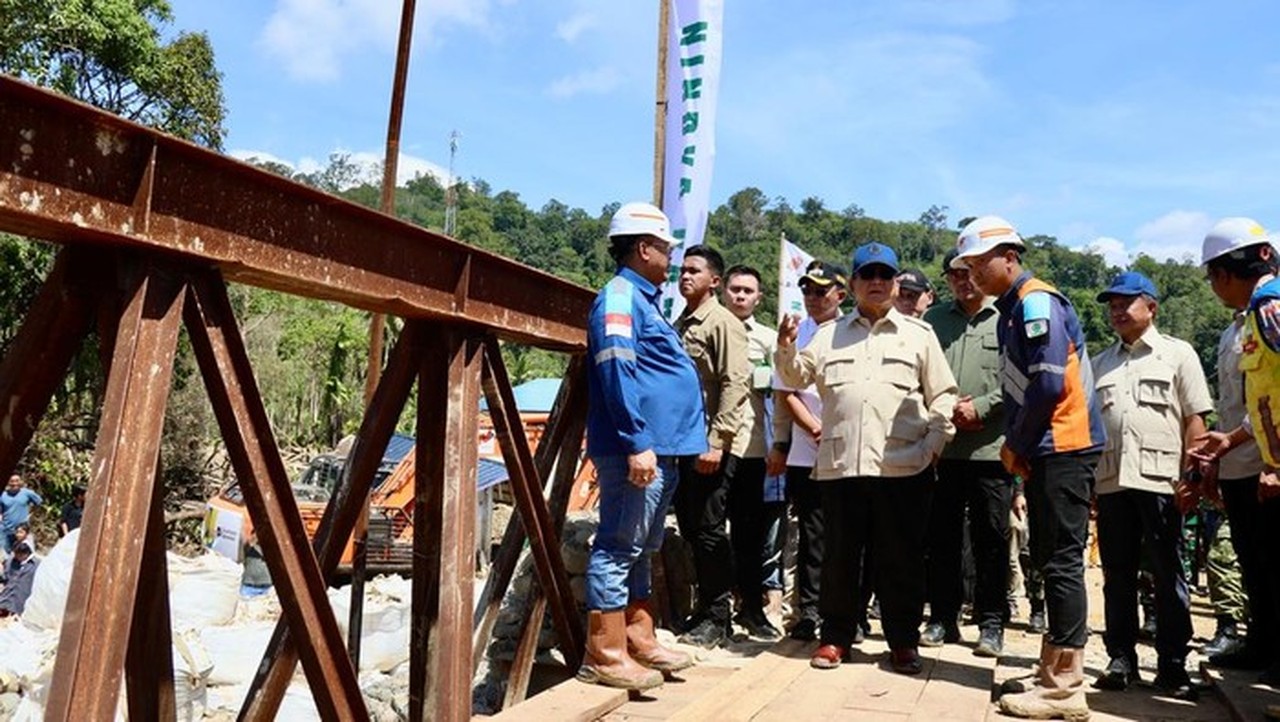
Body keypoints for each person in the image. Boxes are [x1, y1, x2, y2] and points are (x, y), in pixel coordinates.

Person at [776, 242, 957, 676]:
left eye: (884, 275)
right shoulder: (828, 335)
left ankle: (902, 643)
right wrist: (784, 347)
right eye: (867, 275)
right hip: (840, 467)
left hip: (903, 467)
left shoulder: (920, 335)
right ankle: (836, 638)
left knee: (902, 558)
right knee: (839, 557)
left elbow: (944, 395)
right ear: (853, 285)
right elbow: (796, 376)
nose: (876, 282)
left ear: (895, 283)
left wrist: (934, 444)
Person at [952, 215, 1105, 720]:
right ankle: (1051, 668)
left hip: (1062, 442)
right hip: (1046, 446)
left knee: (1060, 562)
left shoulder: (1037, 302)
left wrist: (1015, 443)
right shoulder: (1012, 309)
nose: (972, 274)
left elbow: (1045, 385)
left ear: (1009, 258)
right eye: (966, 266)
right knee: (1047, 556)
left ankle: (1064, 687)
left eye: (978, 264)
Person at [579, 202, 705, 690]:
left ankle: (639, 638)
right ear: (643, 248)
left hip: (659, 447)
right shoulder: (617, 298)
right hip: (637, 446)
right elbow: (615, 368)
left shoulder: (645, 299)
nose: (672, 258)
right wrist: (636, 440)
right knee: (618, 544)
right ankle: (604, 654)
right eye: (666, 249)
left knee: (643, 545)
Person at [1089, 271, 1210, 700]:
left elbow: (1195, 419)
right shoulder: (1099, 363)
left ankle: (1173, 665)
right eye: (1112, 304)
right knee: (1116, 575)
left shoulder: (1178, 355)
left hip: (1162, 483)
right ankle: (1121, 658)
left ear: (1151, 307)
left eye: (1126, 303)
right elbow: (1092, 429)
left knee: (1167, 573)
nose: (1117, 311)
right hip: (1111, 482)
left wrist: (1192, 477)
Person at [1187, 217, 1280, 684]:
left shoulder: (1271, 309)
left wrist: (1273, 462)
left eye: (1212, 277)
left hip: (1267, 462)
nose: (1213, 288)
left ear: (1226, 274)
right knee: (1254, 561)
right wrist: (1223, 452)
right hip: (1243, 462)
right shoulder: (1238, 326)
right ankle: (1262, 645)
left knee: (1273, 562)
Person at [921, 248, 1013, 657]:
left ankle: (991, 622)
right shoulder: (932, 321)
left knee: (991, 539)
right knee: (941, 538)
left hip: (991, 450)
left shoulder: (1009, 317)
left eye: (968, 272)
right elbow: (916, 376)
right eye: (953, 275)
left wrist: (984, 406)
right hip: (942, 447)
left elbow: (1021, 379)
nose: (962, 280)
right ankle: (943, 618)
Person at [673, 245, 751, 649]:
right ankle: (706, 610)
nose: (684, 276)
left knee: (708, 529)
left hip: (711, 444)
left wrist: (717, 442)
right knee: (691, 527)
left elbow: (735, 383)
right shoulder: (681, 322)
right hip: (685, 442)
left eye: (694, 271)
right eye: (682, 270)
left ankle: (719, 617)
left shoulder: (722, 322)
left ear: (714, 281)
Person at [766, 260, 846, 642]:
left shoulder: (853, 331)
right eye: (808, 291)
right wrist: (812, 427)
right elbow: (785, 390)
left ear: (840, 294)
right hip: (805, 449)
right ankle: (808, 612)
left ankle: (849, 613)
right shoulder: (794, 333)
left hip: (847, 449)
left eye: (821, 290)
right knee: (812, 536)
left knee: (847, 535)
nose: (813, 298)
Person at [722, 264, 785, 641]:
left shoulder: (768, 339)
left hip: (755, 448)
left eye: (748, 291)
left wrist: (781, 444)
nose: (741, 296)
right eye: (735, 289)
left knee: (751, 534)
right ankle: (714, 611)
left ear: (759, 298)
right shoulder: (705, 331)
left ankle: (751, 609)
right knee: (710, 532)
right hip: (714, 447)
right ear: (723, 291)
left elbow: (781, 395)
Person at [0, 474, 42, 555]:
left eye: (17, 481)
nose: (15, 483)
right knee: (6, 555)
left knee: (25, 553)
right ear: (8, 482)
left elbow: (39, 502)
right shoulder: (3, 495)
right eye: (12, 481)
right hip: (6, 530)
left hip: (22, 530)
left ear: (21, 482)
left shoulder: (27, 493)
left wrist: (31, 514)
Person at [0, 542, 39, 617]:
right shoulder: (10, 561)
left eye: (18, 555)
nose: (16, 557)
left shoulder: (37, 565)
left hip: (21, 603)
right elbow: (5, 577)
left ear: (26, 554)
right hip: (5, 600)